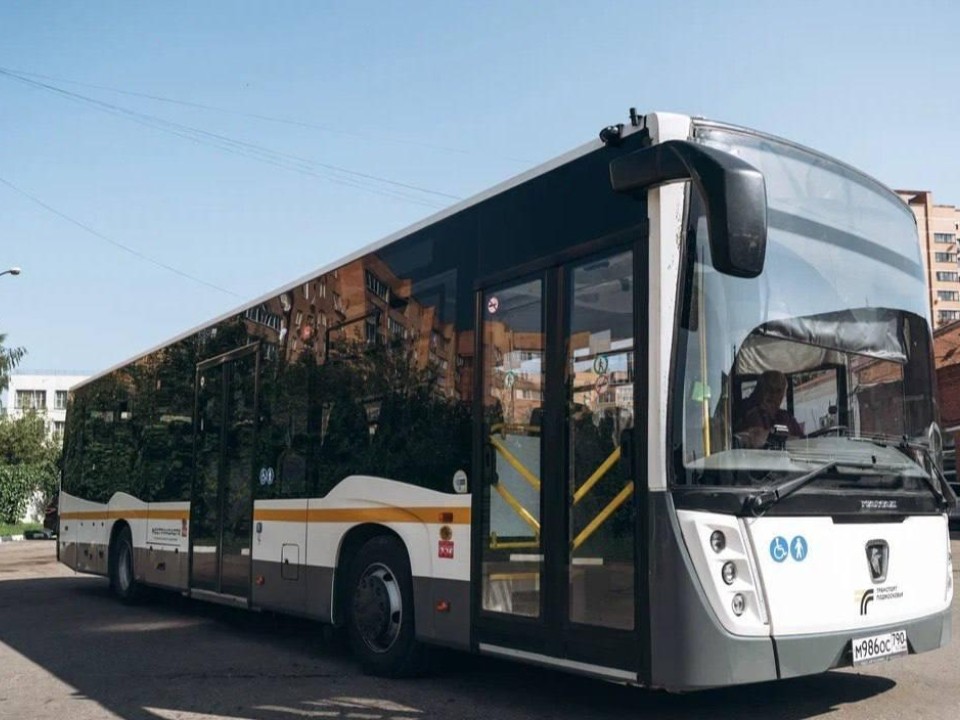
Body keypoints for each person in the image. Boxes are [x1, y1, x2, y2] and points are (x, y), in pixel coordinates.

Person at [735, 370, 804, 448]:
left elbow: (803, 443)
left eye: (780, 392)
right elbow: (755, 440)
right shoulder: (746, 413)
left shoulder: (785, 417)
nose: (776, 396)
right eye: (770, 391)